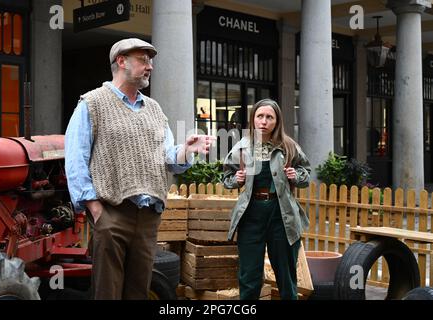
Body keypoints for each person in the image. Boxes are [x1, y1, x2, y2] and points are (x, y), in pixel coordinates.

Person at [65, 38, 214, 300]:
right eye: (144, 60)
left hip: (148, 217)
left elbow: (168, 157)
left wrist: (186, 150)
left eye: (151, 60)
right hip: (111, 213)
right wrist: (96, 210)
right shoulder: (92, 103)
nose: (150, 66)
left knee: (138, 292)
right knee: (107, 293)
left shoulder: (154, 109)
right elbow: (75, 161)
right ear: (121, 61)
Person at [223, 98, 311, 300]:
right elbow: (226, 177)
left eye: (269, 117)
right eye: (259, 116)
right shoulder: (242, 148)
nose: (264, 121)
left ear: (277, 121)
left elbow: (305, 172)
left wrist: (295, 176)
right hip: (251, 215)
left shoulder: (289, 146)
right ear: (253, 119)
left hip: (282, 215)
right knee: (249, 275)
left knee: (286, 274)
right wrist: (236, 180)